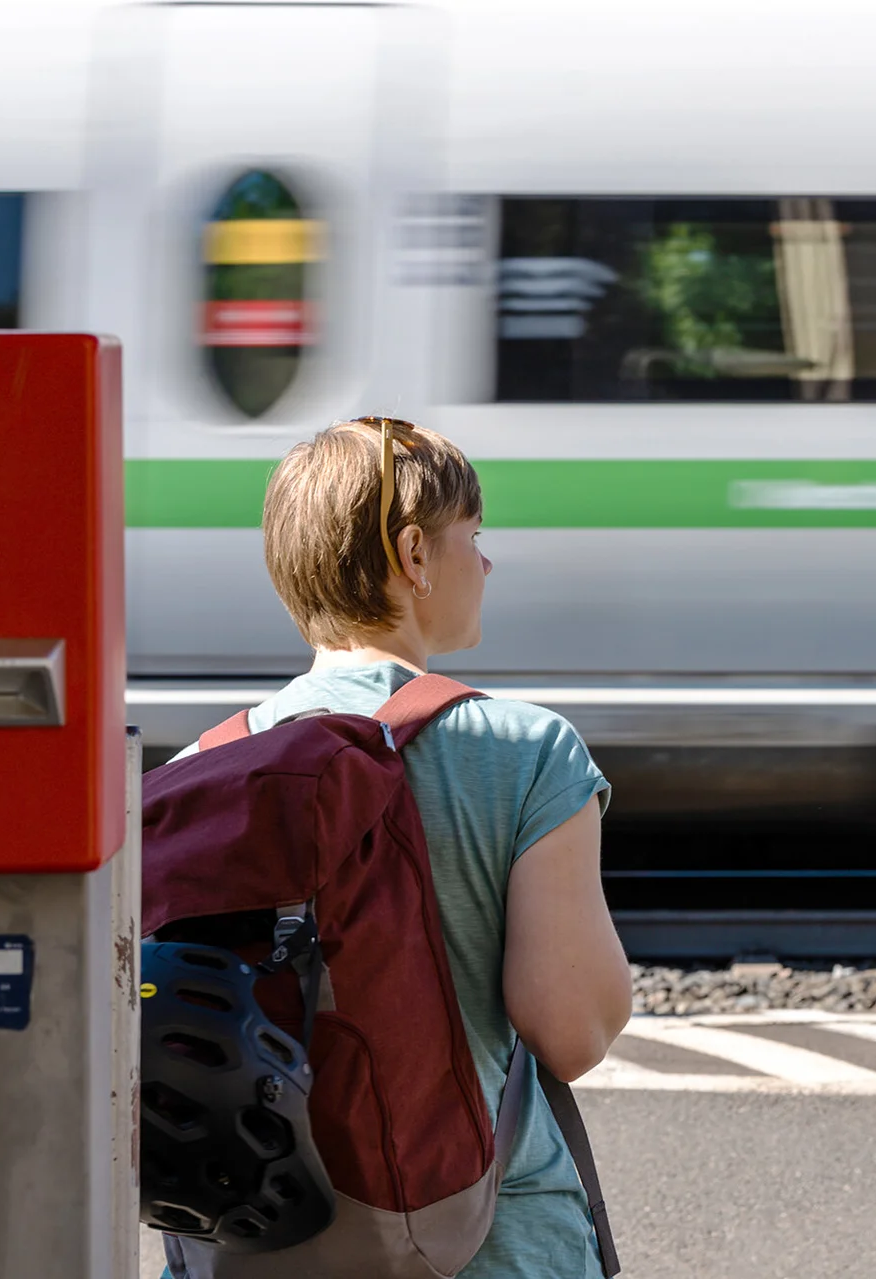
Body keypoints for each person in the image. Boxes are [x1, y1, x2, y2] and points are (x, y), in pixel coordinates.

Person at [167, 415, 632, 1276]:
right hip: (488, 1243)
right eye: (474, 537)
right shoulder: (528, 749)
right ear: (414, 554)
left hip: (251, 1244)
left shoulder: (204, 769)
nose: (485, 563)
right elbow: (571, 1031)